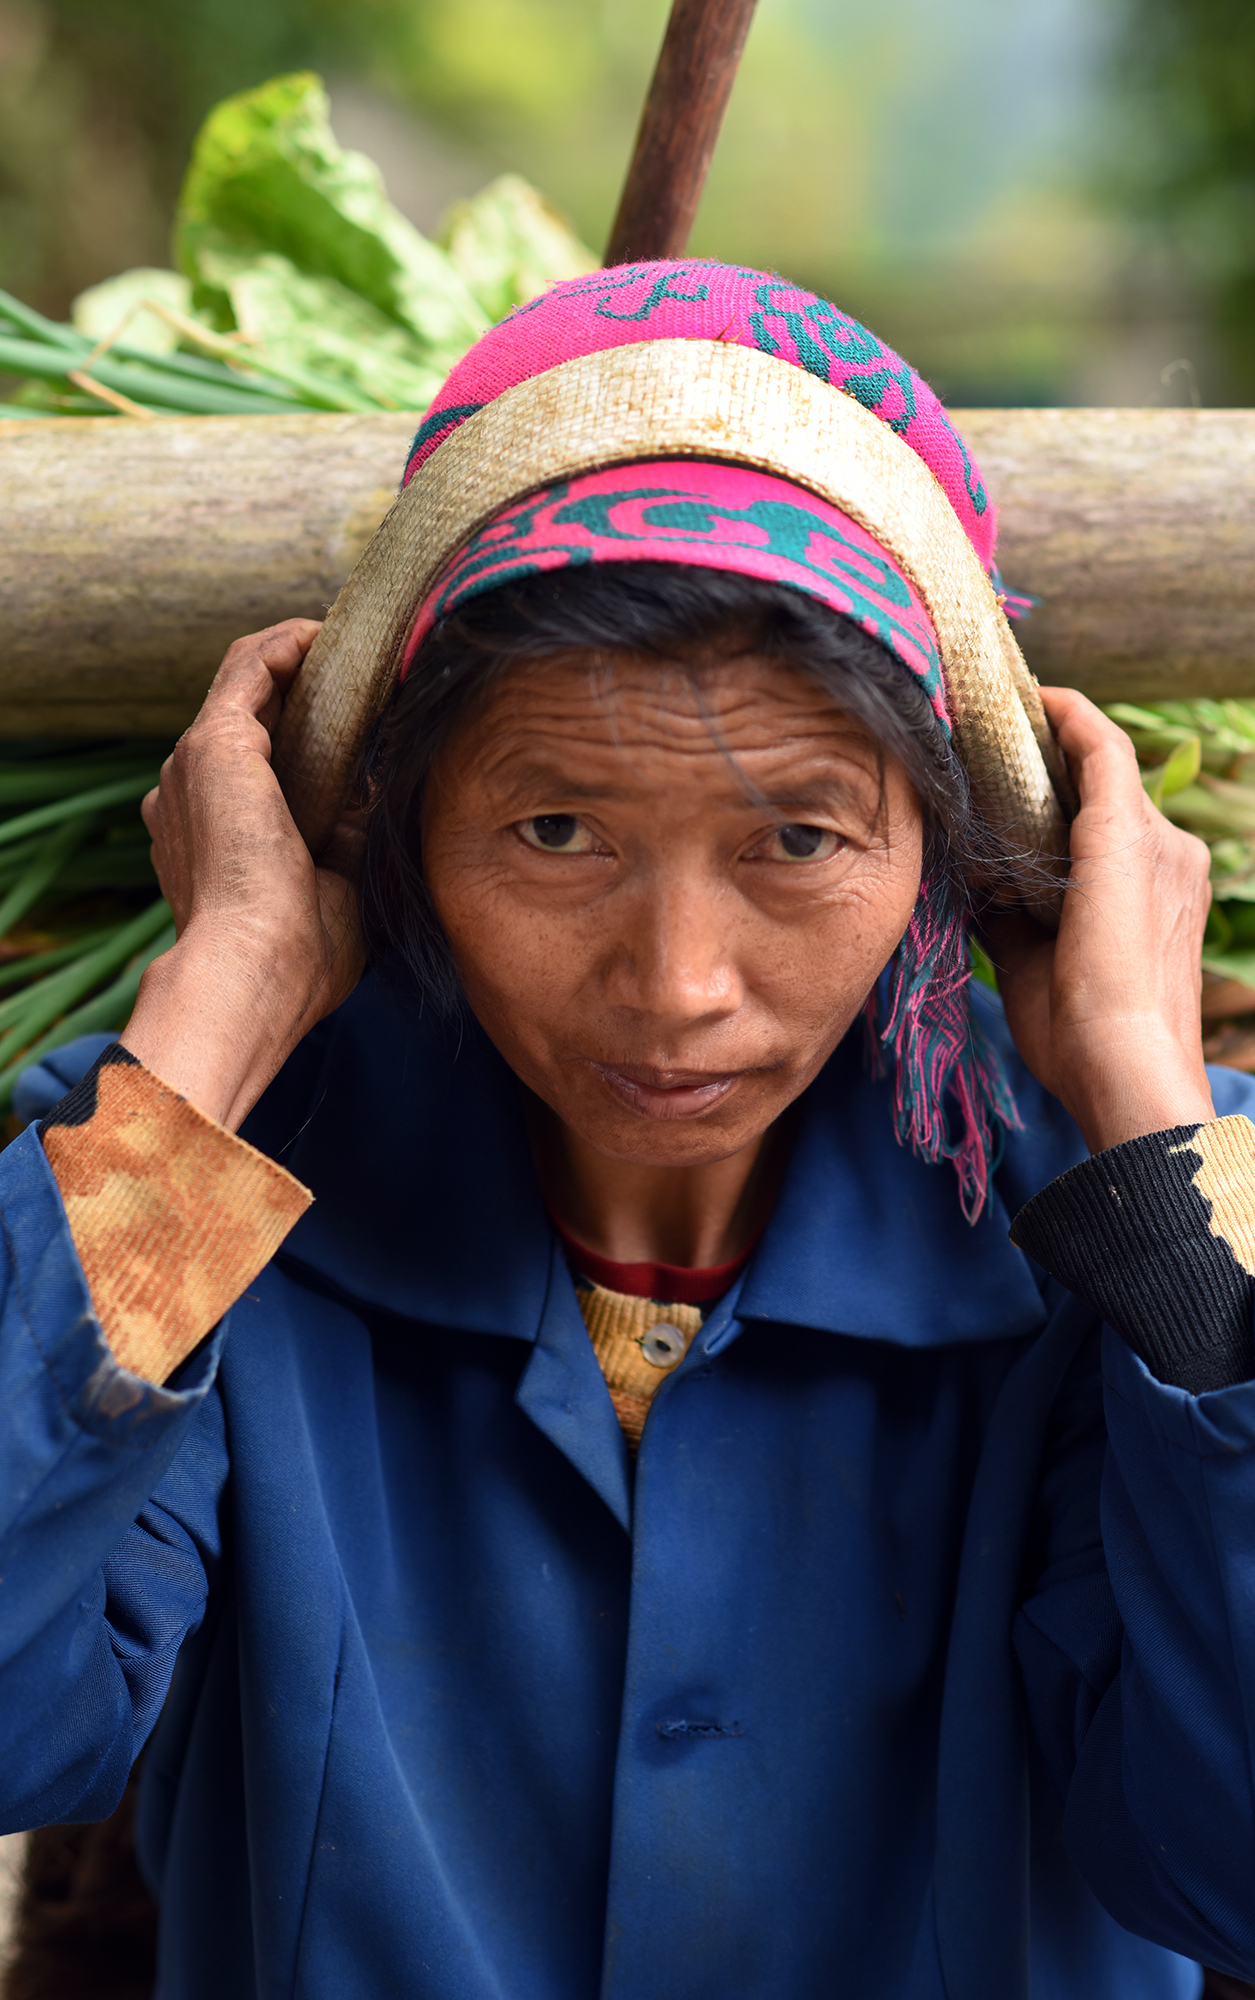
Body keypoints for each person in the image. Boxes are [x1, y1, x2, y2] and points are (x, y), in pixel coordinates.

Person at [1, 261, 1253, 2000]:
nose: (678, 990)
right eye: (558, 831)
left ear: (957, 857)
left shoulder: (1154, 1212)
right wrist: (226, 981)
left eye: (799, 841)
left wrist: (1134, 1083)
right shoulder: (180, 1175)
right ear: (389, 829)